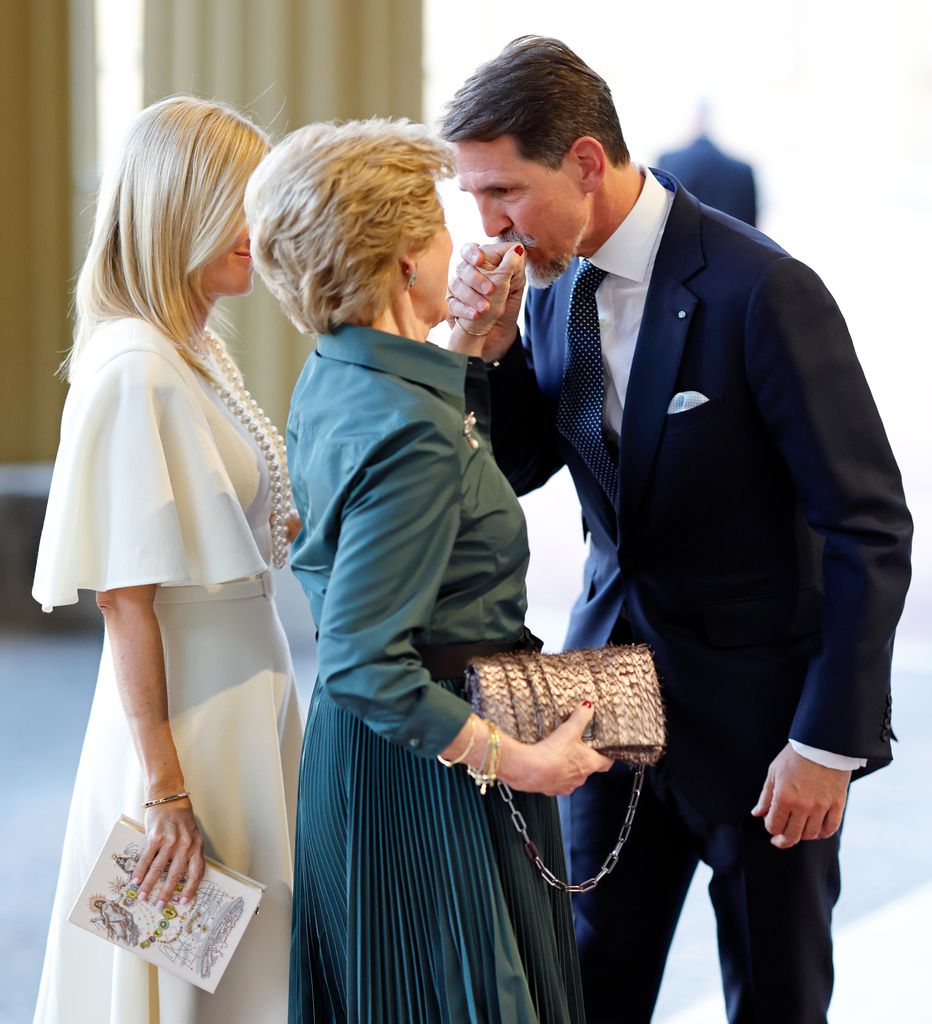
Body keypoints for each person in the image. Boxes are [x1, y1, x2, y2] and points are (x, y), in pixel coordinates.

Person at [440, 35, 913, 1024]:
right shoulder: (547, 284)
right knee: (583, 979)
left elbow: (864, 524)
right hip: (602, 695)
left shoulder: (762, 291)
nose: (484, 226)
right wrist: (480, 357)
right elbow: (525, 465)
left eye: (500, 192)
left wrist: (827, 742)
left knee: (773, 991)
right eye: (472, 197)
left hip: (758, 715)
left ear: (580, 161)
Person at [244, 116, 612, 1024]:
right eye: (445, 222)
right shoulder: (409, 425)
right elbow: (371, 660)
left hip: (379, 761)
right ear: (404, 260)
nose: (471, 240)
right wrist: (520, 763)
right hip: (433, 781)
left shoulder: (339, 370)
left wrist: (474, 354)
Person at [31, 96, 303, 1024]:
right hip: (185, 729)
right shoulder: (136, 365)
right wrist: (168, 791)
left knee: (243, 982)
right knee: (192, 986)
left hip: (241, 699)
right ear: (178, 206)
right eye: (242, 202)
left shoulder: (194, 350)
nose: (259, 230)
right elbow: (124, 599)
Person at [658, 131, 757, 226]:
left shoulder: (668, 162)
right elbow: (752, 227)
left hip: (679, 239)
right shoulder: (743, 170)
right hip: (731, 240)